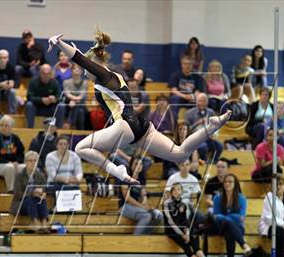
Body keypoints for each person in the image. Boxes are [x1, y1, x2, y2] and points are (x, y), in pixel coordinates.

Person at [48, 31, 231, 185]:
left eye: (87, 68)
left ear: (94, 64)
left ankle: (117, 171)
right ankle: (212, 126)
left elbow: (79, 58)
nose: (84, 72)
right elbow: (82, 57)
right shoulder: (114, 77)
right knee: (179, 154)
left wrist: (59, 43)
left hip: (124, 126)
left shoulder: (104, 75)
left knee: (80, 148)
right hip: (140, 126)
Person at [164, 183, 215, 257]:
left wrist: (186, 232)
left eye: (178, 189)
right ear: (171, 192)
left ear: (182, 192)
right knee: (185, 244)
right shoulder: (167, 204)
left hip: (182, 229)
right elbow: (171, 221)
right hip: (172, 230)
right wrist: (182, 234)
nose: (176, 191)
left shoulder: (183, 204)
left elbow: (185, 220)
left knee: (193, 237)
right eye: (174, 189)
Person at [207, 173, 252, 257]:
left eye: (230, 182)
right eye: (225, 182)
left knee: (229, 231)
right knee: (228, 224)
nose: (227, 184)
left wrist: (226, 217)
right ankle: (244, 245)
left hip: (237, 227)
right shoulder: (217, 198)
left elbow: (241, 218)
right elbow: (217, 216)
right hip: (220, 227)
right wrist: (232, 216)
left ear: (235, 184)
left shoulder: (241, 198)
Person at [119, 156, 163, 235]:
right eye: (136, 164)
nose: (138, 166)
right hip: (125, 206)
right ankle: (136, 240)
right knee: (146, 216)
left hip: (137, 207)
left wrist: (147, 206)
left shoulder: (142, 178)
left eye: (140, 164)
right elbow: (127, 197)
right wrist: (142, 206)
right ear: (131, 165)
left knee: (158, 215)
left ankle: (145, 236)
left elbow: (144, 195)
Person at [11, 151, 49, 233]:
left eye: (35, 160)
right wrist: (32, 194)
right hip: (21, 203)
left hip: (36, 203)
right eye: (30, 161)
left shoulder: (41, 175)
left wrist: (43, 194)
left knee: (41, 199)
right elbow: (17, 193)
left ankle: (44, 222)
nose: (33, 163)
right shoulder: (19, 176)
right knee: (32, 199)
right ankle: (35, 222)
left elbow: (45, 189)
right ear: (25, 162)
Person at [0, 115, 25, 192]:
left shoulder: (15, 138)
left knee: (25, 167)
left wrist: (17, 162)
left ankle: (24, 191)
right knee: (10, 168)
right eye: (1, 125)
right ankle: (11, 191)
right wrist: (9, 162)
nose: (3, 127)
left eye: (6, 125)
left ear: (11, 127)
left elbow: (21, 154)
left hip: (13, 164)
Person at [184, 92, 223, 162]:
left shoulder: (211, 112)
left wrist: (213, 132)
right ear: (196, 101)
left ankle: (213, 162)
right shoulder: (189, 113)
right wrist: (197, 123)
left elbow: (216, 126)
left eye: (204, 101)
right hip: (195, 138)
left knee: (219, 146)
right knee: (203, 147)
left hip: (208, 137)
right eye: (200, 101)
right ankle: (203, 162)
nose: (202, 103)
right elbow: (186, 129)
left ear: (207, 102)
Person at [25, 64, 65, 128]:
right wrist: (41, 100)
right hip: (37, 107)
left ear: (51, 74)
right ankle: (30, 129)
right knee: (29, 104)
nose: (46, 75)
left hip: (51, 107)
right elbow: (29, 97)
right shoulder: (33, 81)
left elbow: (60, 97)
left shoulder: (55, 82)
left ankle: (59, 130)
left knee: (61, 106)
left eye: (48, 73)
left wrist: (55, 99)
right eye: (44, 73)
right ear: (40, 73)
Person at [62, 64, 88, 129]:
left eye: (78, 69)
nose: (76, 70)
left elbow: (81, 96)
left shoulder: (85, 82)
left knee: (79, 107)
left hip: (81, 104)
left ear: (82, 71)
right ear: (71, 70)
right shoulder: (66, 82)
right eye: (74, 68)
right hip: (69, 105)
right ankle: (78, 130)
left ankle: (70, 123)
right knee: (80, 112)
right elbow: (67, 94)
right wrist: (74, 100)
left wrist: (74, 101)